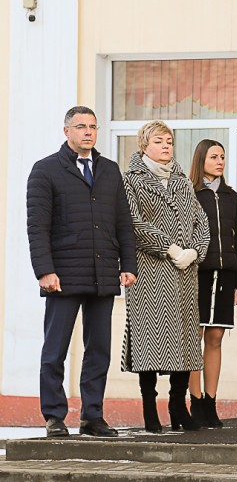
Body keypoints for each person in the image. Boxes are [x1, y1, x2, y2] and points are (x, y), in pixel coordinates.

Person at [27, 106, 137, 438]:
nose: (88, 132)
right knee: (55, 349)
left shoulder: (109, 170)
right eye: (81, 127)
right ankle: (54, 416)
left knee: (99, 349)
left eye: (93, 127)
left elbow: (123, 223)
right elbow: (37, 227)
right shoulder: (45, 170)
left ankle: (92, 416)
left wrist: (128, 266)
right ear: (67, 132)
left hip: (103, 274)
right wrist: (45, 270)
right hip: (62, 276)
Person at [121, 120, 210, 433]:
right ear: (144, 145)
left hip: (184, 273)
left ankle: (178, 405)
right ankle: (149, 407)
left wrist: (194, 253)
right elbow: (133, 222)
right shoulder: (131, 180)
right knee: (151, 341)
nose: (166, 146)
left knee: (185, 343)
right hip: (150, 271)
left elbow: (202, 222)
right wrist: (170, 249)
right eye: (159, 141)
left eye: (169, 141)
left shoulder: (183, 181)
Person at [187, 139, 237, 428]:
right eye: (214, 157)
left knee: (215, 338)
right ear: (202, 161)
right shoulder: (189, 195)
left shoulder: (232, 198)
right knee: (193, 338)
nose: (220, 161)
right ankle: (195, 400)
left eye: (223, 156)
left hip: (225, 276)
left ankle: (210, 401)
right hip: (196, 275)